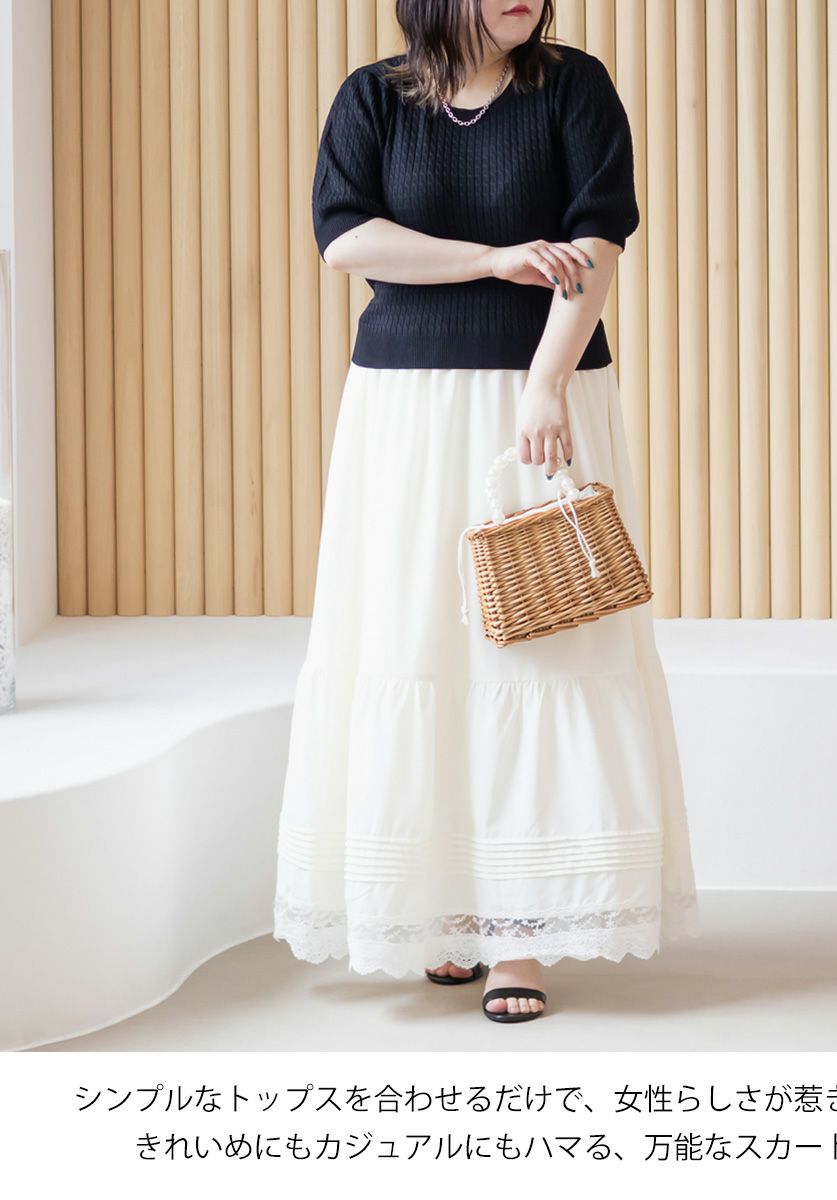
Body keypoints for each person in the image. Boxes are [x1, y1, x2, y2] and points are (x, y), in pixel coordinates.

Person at [272, 0, 701, 1024]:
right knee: (413, 642)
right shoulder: (374, 97)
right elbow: (347, 240)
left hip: (539, 394)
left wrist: (545, 384)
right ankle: (444, 915)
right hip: (404, 409)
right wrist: (491, 258)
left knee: (539, 647)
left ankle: (522, 938)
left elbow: (598, 241)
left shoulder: (571, 86)